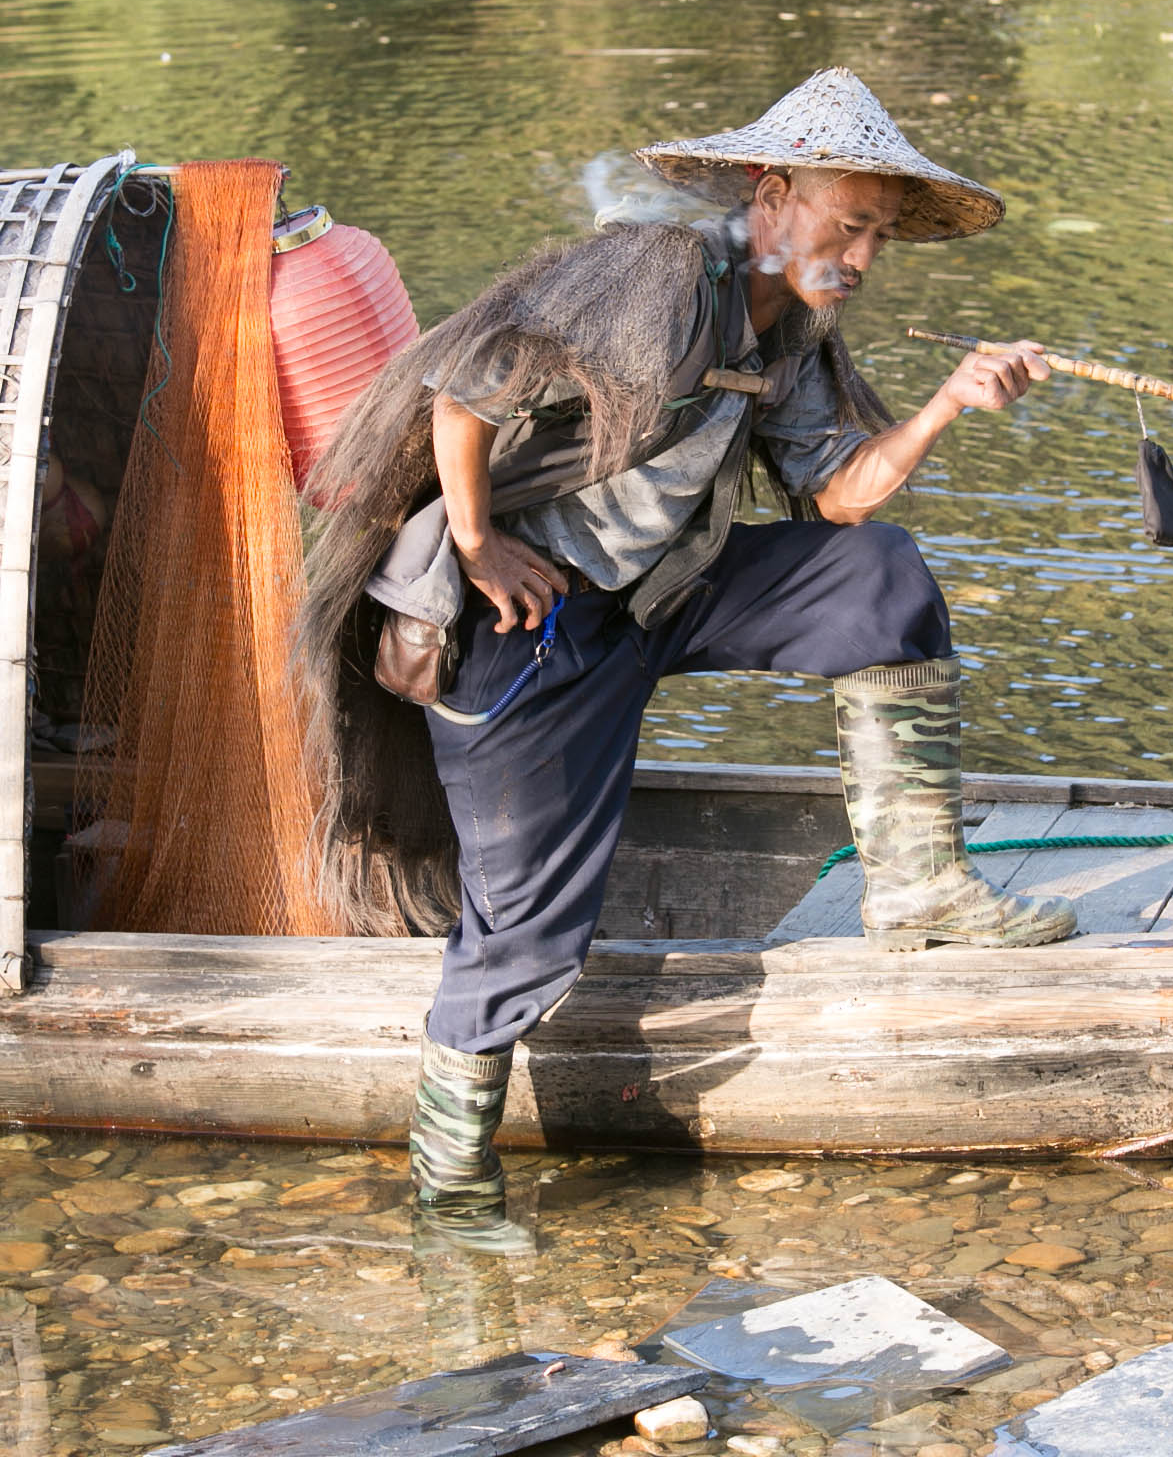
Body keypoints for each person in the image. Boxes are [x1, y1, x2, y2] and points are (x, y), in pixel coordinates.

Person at [294, 66, 1076, 1253]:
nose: (862, 255)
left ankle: (919, 888)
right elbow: (464, 387)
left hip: (657, 598)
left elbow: (839, 498)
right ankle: (451, 1197)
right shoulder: (656, 277)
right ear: (772, 193)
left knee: (878, 580)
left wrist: (946, 406)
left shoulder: (793, 330)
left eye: (879, 234)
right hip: (527, 628)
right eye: (846, 221)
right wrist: (479, 538)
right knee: (525, 931)